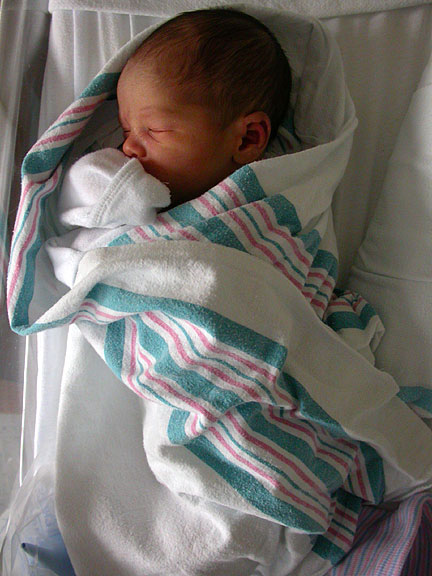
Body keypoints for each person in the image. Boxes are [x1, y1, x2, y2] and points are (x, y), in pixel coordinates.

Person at [46, 8, 294, 286]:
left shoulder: (278, 211)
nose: (128, 147)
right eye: (126, 130)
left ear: (248, 138)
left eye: (154, 129)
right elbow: (82, 229)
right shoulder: (126, 193)